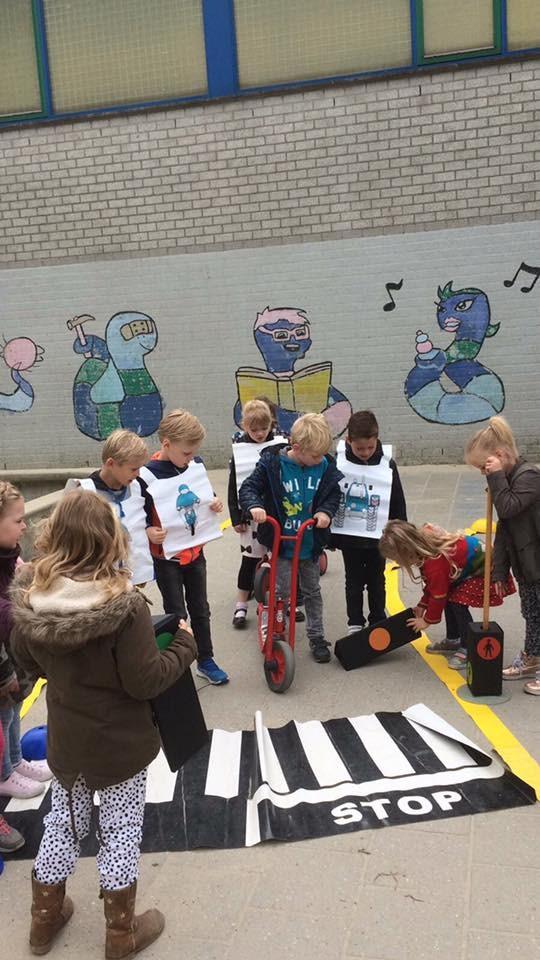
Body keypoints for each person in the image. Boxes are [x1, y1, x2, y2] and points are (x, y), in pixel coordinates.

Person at [9, 490, 197, 957]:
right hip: (121, 746)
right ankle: (120, 933)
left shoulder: (33, 600)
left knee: (61, 825)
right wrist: (184, 648)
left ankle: (43, 921)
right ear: (112, 538)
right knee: (121, 829)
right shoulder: (125, 605)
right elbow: (144, 681)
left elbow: (27, 660)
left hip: (68, 743)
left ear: (53, 536)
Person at [239, 412, 342, 663]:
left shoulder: (325, 466)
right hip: (282, 542)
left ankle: (317, 636)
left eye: (321, 455)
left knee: (312, 591)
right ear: (296, 447)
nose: (319, 460)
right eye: (314, 456)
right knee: (281, 591)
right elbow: (249, 488)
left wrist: (325, 511)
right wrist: (254, 506)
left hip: (310, 543)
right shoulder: (272, 465)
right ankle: (276, 630)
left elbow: (332, 494)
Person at [138, 409, 229, 685]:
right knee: (177, 614)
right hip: (167, 560)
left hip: (195, 553)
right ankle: (179, 665)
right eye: (186, 453)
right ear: (166, 445)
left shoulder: (193, 465)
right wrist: (148, 531)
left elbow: (206, 497)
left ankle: (206, 658)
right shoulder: (146, 476)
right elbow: (136, 516)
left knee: (201, 608)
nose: (190, 458)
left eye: (193, 453)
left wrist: (214, 503)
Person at [466, 415, 540, 694]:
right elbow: (504, 530)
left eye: (484, 467)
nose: (484, 474)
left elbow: (508, 508)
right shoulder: (506, 480)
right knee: (531, 613)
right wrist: (499, 570)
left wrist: (496, 478)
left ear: (498, 455)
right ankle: (533, 658)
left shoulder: (529, 476)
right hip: (528, 564)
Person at [379, 519, 513, 670]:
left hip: (485, 569)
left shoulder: (434, 563)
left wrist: (427, 621)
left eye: (397, 559)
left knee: (457, 602)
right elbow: (433, 586)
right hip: (467, 567)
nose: (398, 562)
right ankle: (453, 639)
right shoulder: (424, 549)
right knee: (451, 598)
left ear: (406, 551)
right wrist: (422, 606)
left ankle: (468, 646)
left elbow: (438, 595)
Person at [331, 410, 407, 634]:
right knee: (353, 580)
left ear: (378, 440)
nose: (365, 453)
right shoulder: (339, 462)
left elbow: (397, 498)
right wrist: (331, 536)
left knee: (377, 579)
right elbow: (330, 497)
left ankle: (377, 617)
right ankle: (355, 621)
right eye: (359, 448)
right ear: (348, 442)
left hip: (379, 537)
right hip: (350, 537)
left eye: (370, 448)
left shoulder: (387, 463)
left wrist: (400, 531)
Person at [0, 481, 51, 804]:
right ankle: (4, 774)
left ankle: (16, 761)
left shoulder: (8, 555)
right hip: (2, 663)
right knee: (2, 718)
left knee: (14, 710)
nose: (24, 526)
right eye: (17, 520)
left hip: (12, 659)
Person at [65, 429, 153, 586]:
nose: (138, 474)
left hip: (136, 574)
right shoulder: (84, 492)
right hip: (100, 579)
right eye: (133, 469)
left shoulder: (139, 487)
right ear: (111, 463)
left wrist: (150, 529)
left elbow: (150, 517)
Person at [228, 399, 280, 628]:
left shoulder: (280, 446)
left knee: (282, 560)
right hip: (251, 519)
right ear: (244, 427)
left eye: (264, 428)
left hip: (277, 515)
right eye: (253, 429)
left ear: (271, 424)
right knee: (249, 561)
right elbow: (233, 486)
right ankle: (241, 604)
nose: (259, 434)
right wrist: (236, 516)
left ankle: (287, 602)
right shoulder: (239, 453)